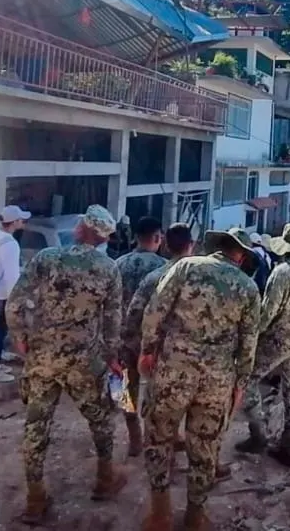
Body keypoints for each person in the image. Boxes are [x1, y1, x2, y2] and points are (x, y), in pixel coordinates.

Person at [6, 205, 128, 525]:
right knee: (100, 419)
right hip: (83, 360)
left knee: (35, 426)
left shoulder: (47, 258)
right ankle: (105, 479)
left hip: (42, 358)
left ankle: (35, 499)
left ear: (80, 229)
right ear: (101, 237)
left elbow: (16, 300)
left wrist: (19, 336)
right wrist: (113, 357)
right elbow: (113, 321)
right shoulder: (107, 268)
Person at [139, 228, 261, 531]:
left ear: (215, 246)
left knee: (159, 438)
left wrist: (147, 350)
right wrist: (240, 384)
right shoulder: (248, 287)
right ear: (241, 255)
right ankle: (195, 516)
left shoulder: (184, 267)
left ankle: (160, 514)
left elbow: (154, 311)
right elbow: (249, 344)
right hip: (216, 380)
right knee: (205, 446)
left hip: (172, 372)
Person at [124, 224, 233, 484]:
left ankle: (144, 446)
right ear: (191, 245)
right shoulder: (212, 278)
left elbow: (133, 315)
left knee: (150, 405)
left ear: (165, 244)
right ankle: (209, 464)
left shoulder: (149, 275)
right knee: (202, 417)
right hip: (200, 360)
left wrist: (130, 347)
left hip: (150, 354)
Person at [236, 223, 290, 464]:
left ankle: (258, 435)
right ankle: (288, 440)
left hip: (278, 339)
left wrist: (252, 335)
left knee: (248, 379)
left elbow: (267, 313)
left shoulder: (282, 272)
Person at [114, 216, 166, 456]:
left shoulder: (119, 264)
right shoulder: (165, 268)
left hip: (122, 338)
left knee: (125, 388)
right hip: (153, 342)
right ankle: (154, 437)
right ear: (157, 238)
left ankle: (134, 437)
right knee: (157, 390)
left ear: (135, 237)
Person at [0, 205, 31, 383]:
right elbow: (11, 276)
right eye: (21, 220)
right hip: (2, 293)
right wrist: (16, 299)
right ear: (14, 222)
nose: (24, 222)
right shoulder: (11, 244)